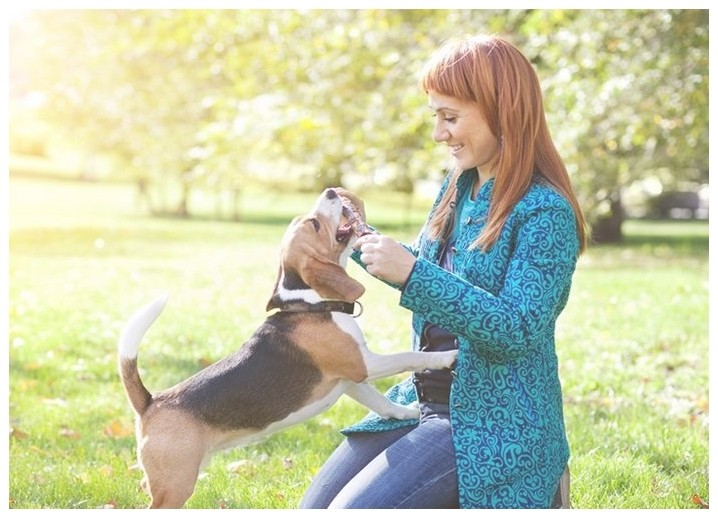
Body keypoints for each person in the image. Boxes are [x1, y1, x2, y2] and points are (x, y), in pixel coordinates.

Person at [299, 33, 587, 509]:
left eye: (450, 117)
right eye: (436, 116)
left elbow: (517, 328)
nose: (439, 133)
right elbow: (434, 271)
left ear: (503, 111)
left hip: (492, 425)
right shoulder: (459, 185)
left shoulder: (545, 211)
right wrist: (360, 237)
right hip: (422, 399)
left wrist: (413, 274)